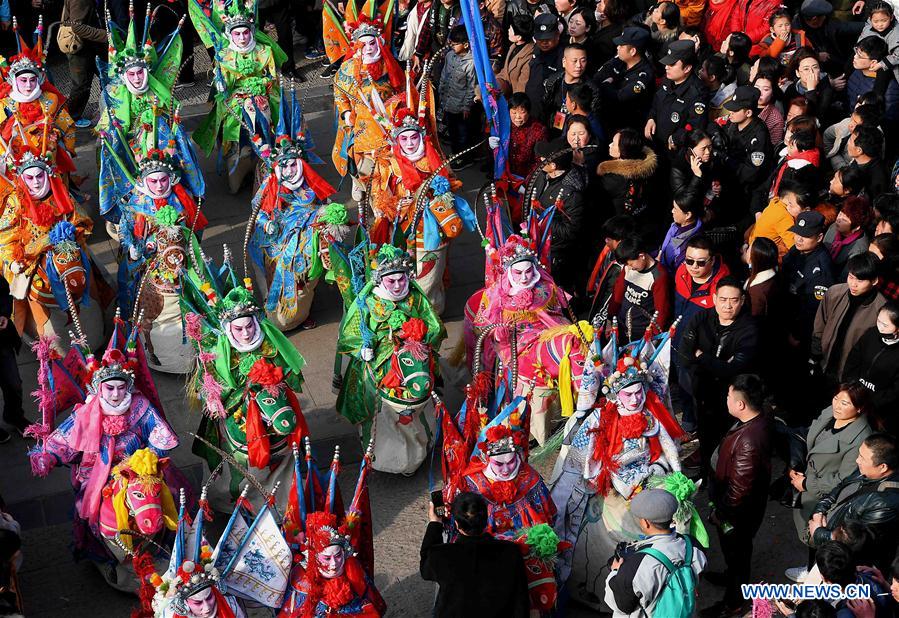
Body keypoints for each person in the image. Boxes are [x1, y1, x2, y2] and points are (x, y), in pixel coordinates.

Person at [784, 383, 874, 583]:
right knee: (811, 535)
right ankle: (811, 568)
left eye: (845, 403)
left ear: (859, 408)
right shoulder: (831, 414)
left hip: (824, 496)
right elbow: (811, 438)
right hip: (807, 481)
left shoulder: (860, 438)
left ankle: (817, 576)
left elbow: (844, 480)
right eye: (836, 399)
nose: (837, 406)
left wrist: (807, 484)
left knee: (820, 538)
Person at [705, 374, 773, 618]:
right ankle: (731, 578)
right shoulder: (756, 420)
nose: (726, 399)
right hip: (739, 510)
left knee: (738, 554)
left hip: (737, 516)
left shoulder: (748, 443)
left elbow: (738, 491)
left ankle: (733, 602)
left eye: (728, 396)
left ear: (741, 404)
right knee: (735, 555)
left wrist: (720, 513)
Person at [679, 277, 759, 473]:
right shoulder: (701, 318)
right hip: (702, 390)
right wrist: (713, 364)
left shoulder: (749, 329)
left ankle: (723, 476)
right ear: (714, 298)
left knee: (728, 444)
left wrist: (701, 356)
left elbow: (733, 369)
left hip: (731, 397)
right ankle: (706, 471)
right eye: (723, 299)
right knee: (705, 436)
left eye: (733, 300)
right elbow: (684, 355)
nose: (728, 306)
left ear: (742, 300)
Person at [420, 492, 529, 618]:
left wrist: (435, 523)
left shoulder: (442, 556)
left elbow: (425, 569)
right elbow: (521, 599)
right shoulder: (511, 552)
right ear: (486, 520)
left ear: (457, 524)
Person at [604, 489, 708, 617]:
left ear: (645, 523)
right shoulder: (693, 545)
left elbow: (622, 606)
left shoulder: (635, 565)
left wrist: (615, 571)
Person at [808, 433, 899, 572]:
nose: (857, 460)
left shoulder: (885, 504)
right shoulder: (866, 470)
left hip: (846, 565)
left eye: (862, 457)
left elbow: (858, 543)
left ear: (882, 467)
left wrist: (819, 533)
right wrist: (819, 511)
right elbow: (840, 488)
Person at [812, 252, 887, 386]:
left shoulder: (881, 309)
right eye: (851, 277)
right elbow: (820, 322)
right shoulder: (835, 292)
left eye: (860, 280)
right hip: (823, 363)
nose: (853, 284)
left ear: (874, 281)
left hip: (851, 375)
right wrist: (816, 352)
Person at [532, 140, 588, 301]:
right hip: (539, 242)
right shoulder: (543, 175)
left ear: (553, 166)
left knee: (559, 294)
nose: (539, 160)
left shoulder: (572, 194)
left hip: (557, 253)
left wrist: (543, 218)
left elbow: (570, 231)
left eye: (543, 159)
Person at [645, 39, 709, 154]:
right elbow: (656, 103)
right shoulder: (667, 80)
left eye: (672, 64)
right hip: (655, 143)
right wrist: (651, 118)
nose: (666, 67)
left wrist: (676, 139)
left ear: (687, 68)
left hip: (675, 151)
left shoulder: (697, 93)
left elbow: (696, 126)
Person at [844, 303, 899, 433]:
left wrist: (872, 401)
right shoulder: (871, 333)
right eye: (878, 321)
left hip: (878, 410)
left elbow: (895, 391)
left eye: (885, 325)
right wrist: (851, 386)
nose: (879, 327)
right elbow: (853, 359)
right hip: (854, 394)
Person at [721, 85, 774, 219]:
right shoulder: (733, 123)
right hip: (727, 184)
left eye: (735, 110)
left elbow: (752, 173)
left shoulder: (759, 135)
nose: (730, 113)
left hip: (745, 193)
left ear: (748, 113)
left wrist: (727, 161)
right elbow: (716, 127)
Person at [608, 235, 672, 341]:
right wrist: (609, 319)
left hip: (641, 332)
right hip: (621, 324)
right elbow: (617, 294)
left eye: (631, 264)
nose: (629, 268)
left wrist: (652, 337)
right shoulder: (627, 268)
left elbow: (661, 311)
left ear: (641, 256)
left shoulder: (659, 276)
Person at [595, 26, 655, 135]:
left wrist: (607, 85)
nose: (617, 47)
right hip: (606, 118)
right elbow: (598, 77)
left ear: (632, 51)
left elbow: (620, 97)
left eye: (621, 45)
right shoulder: (620, 60)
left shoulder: (644, 75)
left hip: (627, 128)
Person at [597, 128, 658, 223]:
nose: (610, 145)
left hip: (620, 225)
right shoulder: (648, 168)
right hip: (646, 219)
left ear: (623, 151)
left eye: (614, 143)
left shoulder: (611, 179)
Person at [439, 26, 479, 168]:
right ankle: (456, 154)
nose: (452, 46)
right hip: (448, 102)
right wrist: (441, 95)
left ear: (466, 44)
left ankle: (465, 159)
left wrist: (466, 106)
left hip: (461, 106)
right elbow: (444, 75)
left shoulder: (471, 62)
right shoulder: (450, 56)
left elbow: (471, 87)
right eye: (451, 43)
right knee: (452, 132)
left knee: (463, 134)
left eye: (455, 44)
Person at [542, 43, 597, 136]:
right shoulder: (554, 81)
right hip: (554, 130)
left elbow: (593, 119)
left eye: (583, 61)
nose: (579, 65)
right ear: (564, 62)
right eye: (574, 61)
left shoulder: (591, 89)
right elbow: (546, 107)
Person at [848, 35, 899, 123]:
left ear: (873, 62)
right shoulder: (856, 72)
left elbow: (889, 120)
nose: (855, 57)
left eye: (859, 56)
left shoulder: (890, 89)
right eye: (855, 52)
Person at [0, 276, 26, 443]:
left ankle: (14, 415)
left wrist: (3, 313)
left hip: (1, 339)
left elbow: (4, 291)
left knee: (13, 382)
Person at [507, 93, 548, 193]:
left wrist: (527, 183)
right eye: (514, 112)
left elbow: (540, 161)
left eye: (522, 112)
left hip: (526, 180)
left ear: (528, 112)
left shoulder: (538, 130)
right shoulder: (505, 126)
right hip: (506, 176)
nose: (518, 117)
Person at [526, 13, 564, 122]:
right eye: (540, 39)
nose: (544, 43)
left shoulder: (564, 57)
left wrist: (558, 124)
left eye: (548, 39)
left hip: (552, 116)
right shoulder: (535, 50)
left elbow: (564, 96)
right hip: (532, 113)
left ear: (557, 35)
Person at [824, 196, 872, 282]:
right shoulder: (834, 227)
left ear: (856, 227)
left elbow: (845, 277)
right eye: (840, 213)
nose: (838, 219)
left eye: (844, 220)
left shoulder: (859, 249)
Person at [659, 196, 704, 273]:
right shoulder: (676, 225)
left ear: (688, 215)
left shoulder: (690, 245)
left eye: (675, 208)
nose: (672, 211)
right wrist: (660, 254)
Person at [497, 14, 535, 95]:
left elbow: (522, 86)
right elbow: (505, 71)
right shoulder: (513, 46)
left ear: (519, 37)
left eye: (511, 29)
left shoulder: (529, 56)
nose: (508, 30)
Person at [847, 125, 888, 200]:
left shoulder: (877, 180)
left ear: (859, 150)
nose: (848, 143)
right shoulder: (859, 161)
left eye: (850, 140)